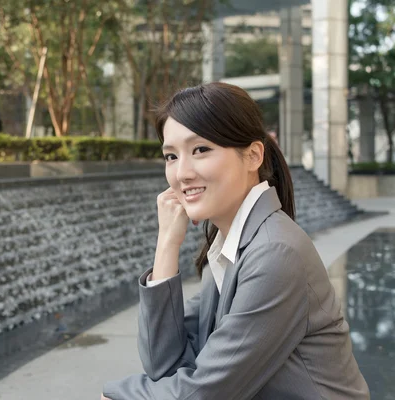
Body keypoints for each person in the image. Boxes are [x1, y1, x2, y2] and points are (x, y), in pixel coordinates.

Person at [101, 82, 369, 400]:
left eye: (200, 150)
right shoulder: (232, 246)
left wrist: (115, 395)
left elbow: (207, 393)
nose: (182, 173)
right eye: (171, 156)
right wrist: (167, 244)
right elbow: (167, 365)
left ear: (253, 155)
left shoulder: (274, 253)